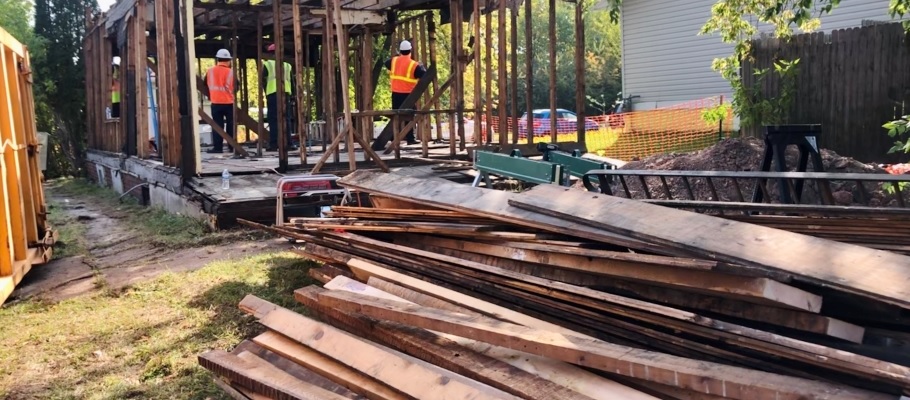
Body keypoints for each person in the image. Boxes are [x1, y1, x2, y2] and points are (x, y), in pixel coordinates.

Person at [385, 40, 426, 145]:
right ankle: (410, 139)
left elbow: (386, 62)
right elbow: (424, 75)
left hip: (395, 93)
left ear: (400, 51)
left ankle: (394, 137)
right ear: (410, 50)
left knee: (396, 116)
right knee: (409, 116)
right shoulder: (414, 65)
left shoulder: (393, 61)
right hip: (408, 95)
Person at [204, 49, 240, 155]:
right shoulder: (231, 72)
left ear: (217, 59)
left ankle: (218, 147)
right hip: (229, 103)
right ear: (228, 60)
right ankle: (232, 146)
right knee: (231, 126)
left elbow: (205, 84)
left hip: (215, 103)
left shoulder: (210, 71)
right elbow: (237, 87)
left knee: (217, 126)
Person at [261, 43, 293, 152]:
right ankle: (289, 143)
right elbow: (292, 83)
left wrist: (265, 93)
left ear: (270, 54)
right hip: (285, 94)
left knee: (273, 120)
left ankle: (274, 144)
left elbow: (263, 81)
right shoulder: (287, 66)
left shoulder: (267, 64)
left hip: (273, 94)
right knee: (286, 119)